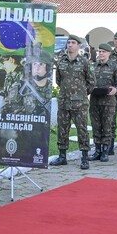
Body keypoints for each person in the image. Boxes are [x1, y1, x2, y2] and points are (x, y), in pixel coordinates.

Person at [50, 34, 94, 169]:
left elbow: (91, 82)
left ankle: (85, 157)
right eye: (68, 43)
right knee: (63, 129)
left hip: (79, 103)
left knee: (82, 130)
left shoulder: (84, 62)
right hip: (64, 101)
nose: (70, 45)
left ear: (78, 46)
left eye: (73, 43)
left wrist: (80, 94)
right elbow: (58, 80)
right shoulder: (61, 61)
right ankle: (62, 156)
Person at [90, 43, 117, 161]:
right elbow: (88, 81)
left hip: (108, 101)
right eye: (99, 51)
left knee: (107, 126)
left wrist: (115, 89)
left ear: (109, 53)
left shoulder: (114, 66)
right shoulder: (93, 66)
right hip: (94, 100)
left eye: (104, 51)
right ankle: (97, 150)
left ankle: (105, 151)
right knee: (96, 126)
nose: (101, 54)